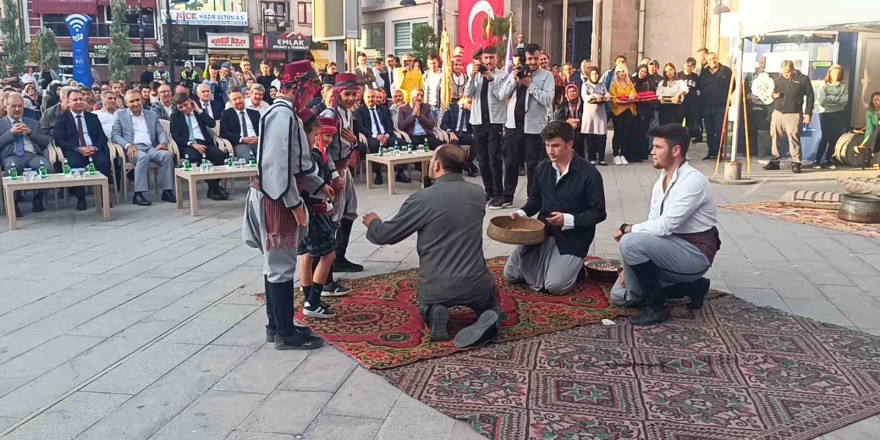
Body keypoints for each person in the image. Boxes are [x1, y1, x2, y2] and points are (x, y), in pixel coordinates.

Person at [363, 144, 501, 348]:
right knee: (490, 303)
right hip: (476, 283)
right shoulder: (478, 193)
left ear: (436, 165)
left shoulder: (422, 198)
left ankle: (434, 311)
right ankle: (490, 316)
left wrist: (373, 222)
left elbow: (385, 236)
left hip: (438, 286)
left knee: (431, 302)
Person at [242, 60, 326, 350]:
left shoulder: (282, 112)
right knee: (280, 266)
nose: (310, 96)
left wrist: (318, 186)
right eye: (310, 89)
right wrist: (293, 203)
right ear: (300, 86)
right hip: (277, 197)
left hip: (276, 193)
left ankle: (276, 325)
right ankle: (284, 333)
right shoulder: (282, 115)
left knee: (275, 265)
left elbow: (298, 162)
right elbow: (278, 166)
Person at [612, 124, 719, 325]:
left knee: (629, 242)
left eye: (658, 147)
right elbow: (654, 224)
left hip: (694, 254)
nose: (652, 152)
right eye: (653, 146)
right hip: (669, 249)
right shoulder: (662, 178)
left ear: (676, 150)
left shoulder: (693, 181)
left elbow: (664, 227)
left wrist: (628, 228)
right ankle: (692, 288)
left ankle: (657, 306)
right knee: (620, 296)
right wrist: (626, 267)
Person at [505, 121, 606, 295]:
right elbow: (535, 199)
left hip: (573, 237)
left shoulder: (589, 174)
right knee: (510, 274)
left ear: (570, 144)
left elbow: (598, 213)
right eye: (547, 145)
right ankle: (557, 265)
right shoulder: (542, 167)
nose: (550, 151)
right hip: (542, 233)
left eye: (556, 146)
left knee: (555, 286)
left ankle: (576, 268)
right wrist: (520, 213)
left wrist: (567, 220)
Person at [498, 44, 555, 208]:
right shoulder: (516, 72)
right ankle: (507, 196)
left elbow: (547, 100)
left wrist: (530, 84)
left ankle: (533, 198)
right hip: (513, 126)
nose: (533, 62)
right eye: (530, 59)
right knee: (510, 162)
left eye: (536, 58)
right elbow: (502, 95)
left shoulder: (547, 76)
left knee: (533, 164)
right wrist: (515, 80)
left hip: (534, 127)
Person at [299, 113, 343, 319]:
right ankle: (313, 301)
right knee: (328, 254)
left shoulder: (315, 155)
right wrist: (324, 202)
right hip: (314, 210)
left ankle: (309, 295)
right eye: (323, 135)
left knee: (307, 254)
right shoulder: (313, 156)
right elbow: (312, 183)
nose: (328, 140)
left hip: (310, 208)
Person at [321, 73, 365, 275]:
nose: (351, 98)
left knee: (350, 210)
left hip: (345, 166)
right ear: (338, 93)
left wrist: (354, 141)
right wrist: (334, 174)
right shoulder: (330, 115)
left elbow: (350, 142)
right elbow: (323, 148)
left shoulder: (348, 113)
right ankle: (327, 265)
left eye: (354, 94)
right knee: (335, 214)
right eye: (347, 94)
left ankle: (340, 255)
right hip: (334, 170)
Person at [113, 90, 175, 206]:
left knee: (166, 155)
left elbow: (160, 131)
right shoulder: (120, 115)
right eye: (132, 101)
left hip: (151, 147)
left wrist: (163, 143)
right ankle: (138, 194)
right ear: (126, 103)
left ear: (142, 100)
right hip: (133, 149)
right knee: (143, 158)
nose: (136, 103)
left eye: (137, 100)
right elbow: (115, 135)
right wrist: (128, 146)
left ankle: (167, 191)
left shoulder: (151, 114)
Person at [54, 88, 112, 211]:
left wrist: (95, 147)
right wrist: (78, 149)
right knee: (74, 164)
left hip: (93, 149)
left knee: (104, 161)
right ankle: (81, 198)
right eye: (75, 100)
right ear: (68, 102)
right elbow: (59, 140)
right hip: (75, 150)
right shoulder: (62, 119)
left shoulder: (92, 117)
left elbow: (102, 137)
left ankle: (102, 196)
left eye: (81, 99)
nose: (79, 102)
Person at [466, 46, 509, 208]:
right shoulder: (476, 76)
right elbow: (468, 94)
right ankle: (489, 190)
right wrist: (472, 77)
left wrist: (490, 79)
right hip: (477, 121)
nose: (488, 61)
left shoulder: (503, 76)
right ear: (481, 59)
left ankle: (499, 193)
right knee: (482, 160)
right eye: (486, 58)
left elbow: (501, 95)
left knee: (494, 158)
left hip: (494, 122)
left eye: (492, 58)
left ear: (497, 59)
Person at [0, 92, 54, 216]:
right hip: (12, 156)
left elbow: (45, 142)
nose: (17, 109)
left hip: (33, 155)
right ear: (5, 106)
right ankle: (14, 203)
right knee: (11, 170)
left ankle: (38, 198)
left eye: (20, 106)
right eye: (13, 106)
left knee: (47, 168)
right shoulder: (1, 124)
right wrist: (10, 133)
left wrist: (30, 133)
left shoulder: (33, 122)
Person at [169, 93, 229, 200]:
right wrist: (192, 144)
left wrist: (199, 110)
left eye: (186, 105)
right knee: (195, 157)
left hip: (204, 143)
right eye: (180, 107)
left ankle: (212, 187)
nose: (184, 108)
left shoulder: (199, 113)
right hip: (188, 145)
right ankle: (214, 188)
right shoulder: (175, 117)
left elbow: (212, 124)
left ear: (190, 102)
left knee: (220, 155)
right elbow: (176, 136)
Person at [765, 60, 814, 173]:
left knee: (793, 137)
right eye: (783, 72)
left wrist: (808, 113)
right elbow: (771, 92)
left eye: (787, 72)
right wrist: (773, 95)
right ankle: (775, 160)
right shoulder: (778, 79)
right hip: (778, 112)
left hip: (794, 113)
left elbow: (810, 96)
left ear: (792, 69)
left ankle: (796, 162)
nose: (785, 75)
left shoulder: (803, 79)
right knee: (775, 136)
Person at [355, 88, 404, 184]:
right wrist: (375, 136)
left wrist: (386, 135)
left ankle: (400, 173)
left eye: (373, 96)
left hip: (386, 136)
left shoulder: (383, 109)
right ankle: (378, 174)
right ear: (364, 98)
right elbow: (361, 127)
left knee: (400, 142)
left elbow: (390, 125)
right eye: (368, 97)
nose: (370, 99)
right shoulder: (360, 111)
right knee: (374, 145)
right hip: (371, 137)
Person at [699, 52, 733, 160]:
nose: (712, 61)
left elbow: (733, 85)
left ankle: (718, 152)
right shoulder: (704, 72)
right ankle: (711, 152)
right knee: (709, 131)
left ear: (717, 58)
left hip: (721, 106)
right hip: (707, 106)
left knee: (719, 130)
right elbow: (701, 86)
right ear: (707, 61)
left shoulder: (726, 71)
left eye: (714, 58)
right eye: (709, 60)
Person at [815, 65, 848, 169]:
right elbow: (822, 100)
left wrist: (830, 98)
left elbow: (844, 101)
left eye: (838, 73)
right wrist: (836, 99)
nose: (836, 75)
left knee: (834, 138)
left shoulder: (843, 87)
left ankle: (828, 159)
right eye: (834, 73)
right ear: (829, 73)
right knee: (825, 137)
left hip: (838, 113)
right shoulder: (823, 86)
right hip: (825, 113)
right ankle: (817, 160)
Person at [581, 66, 611, 165]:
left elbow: (607, 94)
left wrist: (607, 96)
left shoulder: (601, 85)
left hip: (601, 114)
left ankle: (601, 158)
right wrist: (594, 96)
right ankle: (591, 158)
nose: (595, 75)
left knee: (602, 136)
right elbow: (585, 97)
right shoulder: (585, 85)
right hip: (590, 115)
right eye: (593, 74)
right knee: (590, 137)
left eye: (597, 73)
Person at [220, 90, 261, 160]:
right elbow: (223, 133)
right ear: (230, 102)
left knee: (267, 159)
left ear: (244, 98)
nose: (238, 101)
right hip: (241, 144)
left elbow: (263, 129)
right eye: (235, 99)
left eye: (239, 98)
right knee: (249, 160)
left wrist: (259, 138)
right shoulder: (227, 114)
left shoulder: (255, 113)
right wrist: (242, 139)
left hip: (258, 143)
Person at [441, 97, 476, 176]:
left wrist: (472, 112)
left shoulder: (472, 109)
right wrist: (450, 132)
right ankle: (458, 166)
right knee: (455, 145)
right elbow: (444, 123)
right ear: (463, 96)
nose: (471, 100)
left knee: (477, 140)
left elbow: (475, 125)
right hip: (454, 133)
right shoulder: (451, 107)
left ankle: (468, 163)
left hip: (466, 133)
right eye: (469, 98)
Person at [610, 66, 637, 165]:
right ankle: (616, 155)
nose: (622, 73)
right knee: (618, 132)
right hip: (618, 111)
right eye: (619, 71)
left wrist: (632, 97)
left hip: (629, 110)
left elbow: (634, 94)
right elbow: (613, 98)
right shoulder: (614, 85)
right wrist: (621, 101)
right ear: (616, 73)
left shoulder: (630, 84)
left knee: (626, 133)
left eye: (623, 71)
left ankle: (623, 154)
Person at [679, 58, 702, 142]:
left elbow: (698, 89)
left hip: (691, 105)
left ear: (694, 67)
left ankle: (686, 142)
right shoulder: (679, 75)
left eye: (691, 66)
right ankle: (678, 141)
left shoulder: (695, 76)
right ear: (684, 65)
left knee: (690, 126)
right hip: (680, 104)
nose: (689, 67)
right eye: (687, 65)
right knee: (678, 124)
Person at [556, 84, 583, 156]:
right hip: (567, 127)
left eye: (573, 91)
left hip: (580, 127)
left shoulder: (582, 103)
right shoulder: (563, 104)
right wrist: (568, 121)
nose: (572, 93)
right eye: (570, 92)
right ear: (567, 93)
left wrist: (577, 121)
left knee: (579, 138)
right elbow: (559, 118)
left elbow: (586, 115)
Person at [857, 92, 880, 159]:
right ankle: (870, 149)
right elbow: (869, 127)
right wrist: (865, 141)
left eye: (879, 99)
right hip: (877, 132)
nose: (877, 102)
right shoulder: (870, 113)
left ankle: (872, 150)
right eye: (875, 100)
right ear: (872, 101)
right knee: (877, 130)